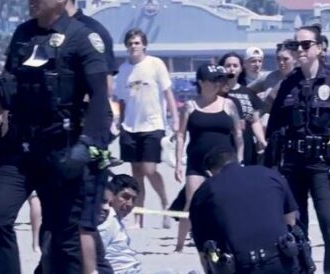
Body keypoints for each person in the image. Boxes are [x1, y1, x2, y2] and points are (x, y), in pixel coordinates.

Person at [0, 0, 111, 274]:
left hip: (61, 151)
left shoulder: (82, 38)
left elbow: (101, 97)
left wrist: (88, 143)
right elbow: (4, 84)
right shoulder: (23, 34)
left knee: (62, 236)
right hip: (19, 150)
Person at [265, 24, 330, 274]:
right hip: (293, 165)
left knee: (329, 222)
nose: (299, 50)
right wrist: (273, 168)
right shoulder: (288, 84)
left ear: (320, 48)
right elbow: (274, 128)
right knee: (295, 223)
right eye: (295, 45)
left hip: (321, 165)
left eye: (305, 45)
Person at [189, 147, 305, 274]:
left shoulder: (205, 191)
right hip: (283, 262)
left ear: (209, 172)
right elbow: (291, 222)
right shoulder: (271, 175)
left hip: (240, 267)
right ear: (238, 161)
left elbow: (204, 251)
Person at [174, 63, 243, 252]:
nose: (217, 84)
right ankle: (179, 245)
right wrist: (178, 163)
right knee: (191, 201)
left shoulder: (228, 104)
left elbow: (238, 134)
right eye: (213, 80)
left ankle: (232, 240)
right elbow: (180, 135)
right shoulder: (190, 106)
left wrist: (240, 159)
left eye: (219, 80)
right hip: (197, 162)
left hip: (225, 163)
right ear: (201, 82)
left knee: (227, 202)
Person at [114, 28, 179, 229]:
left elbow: (168, 93)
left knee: (150, 169)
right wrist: (118, 122)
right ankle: (138, 217)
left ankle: (164, 203)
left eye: (137, 43)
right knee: (136, 173)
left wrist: (175, 118)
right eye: (130, 43)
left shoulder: (155, 64)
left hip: (153, 124)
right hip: (130, 126)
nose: (133, 46)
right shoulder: (124, 70)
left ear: (144, 45)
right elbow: (120, 100)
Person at [218, 52, 267, 166]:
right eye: (228, 65)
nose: (232, 69)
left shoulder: (248, 92)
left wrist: (262, 140)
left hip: (247, 145)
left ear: (241, 68)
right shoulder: (217, 93)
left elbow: (255, 121)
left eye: (235, 66)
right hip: (225, 145)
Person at [99, 174, 144, 274]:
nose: (130, 204)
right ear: (111, 195)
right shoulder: (107, 221)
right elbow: (93, 255)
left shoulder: (116, 219)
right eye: (125, 197)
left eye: (133, 200)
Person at [249, 40, 296, 114]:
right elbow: (246, 91)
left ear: (295, 59)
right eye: (278, 58)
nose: (281, 62)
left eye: (285, 59)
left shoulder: (300, 77)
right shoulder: (269, 77)